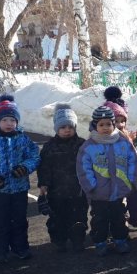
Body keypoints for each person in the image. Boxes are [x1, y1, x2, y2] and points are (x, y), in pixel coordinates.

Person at [0, 94, 40, 263]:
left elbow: (34, 155)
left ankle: (20, 248)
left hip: (19, 188)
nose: (9, 124)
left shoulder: (23, 139)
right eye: (4, 120)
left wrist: (25, 167)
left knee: (19, 220)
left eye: (12, 120)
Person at [78, 105, 137, 256]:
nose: (105, 128)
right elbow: (83, 168)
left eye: (108, 124)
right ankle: (100, 242)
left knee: (119, 217)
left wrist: (130, 180)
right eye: (101, 124)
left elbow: (132, 161)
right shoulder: (89, 146)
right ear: (95, 126)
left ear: (113, 124)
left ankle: (120, 240)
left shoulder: (122, 142)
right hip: (99, 192)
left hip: (119, 191)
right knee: (100, 220)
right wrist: (91, 186)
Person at [37, 103, 88, 252]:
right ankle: (59, 240)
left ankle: (78, 240)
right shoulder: (50, 147)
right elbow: (44, 167)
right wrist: (44, 184)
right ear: (56, 128)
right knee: (57, 218)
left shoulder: (82, 145)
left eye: (70, 127)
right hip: (56, 192)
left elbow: (89, 164)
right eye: (63, 127)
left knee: (78, 217)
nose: (67, 130)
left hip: (78, 191)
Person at [103, 94, 137, 229]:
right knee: (118, 202)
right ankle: (121, 224)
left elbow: (131, 145)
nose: (120, 124)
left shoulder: (125, 133)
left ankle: (133, 218)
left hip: (131, 173)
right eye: (116, 121)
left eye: (123, 121)